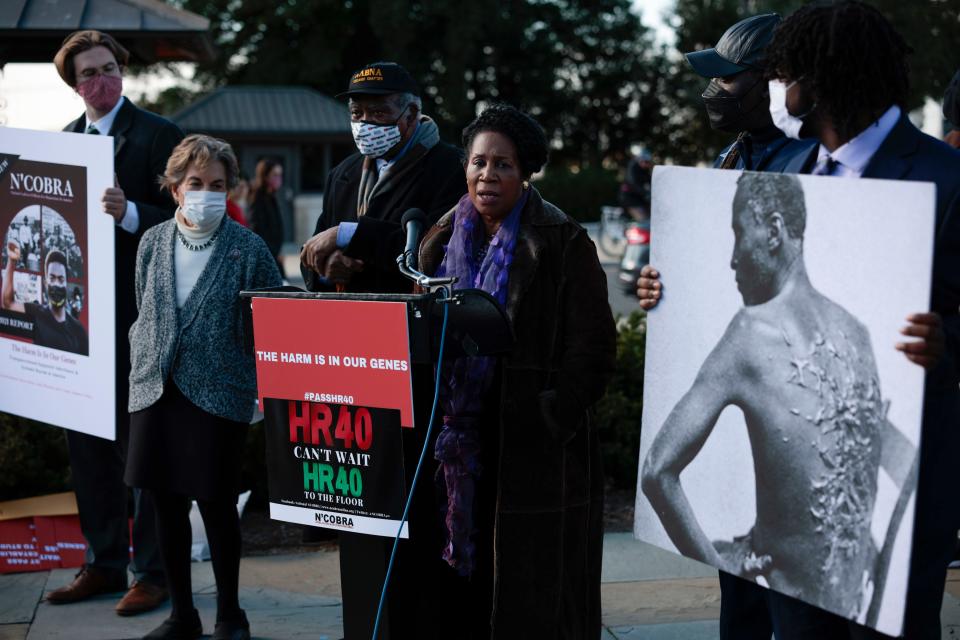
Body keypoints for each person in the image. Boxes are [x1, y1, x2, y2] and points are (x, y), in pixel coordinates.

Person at [641, 2, 960, 637]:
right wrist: (665, 292)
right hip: (792, 564)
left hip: (902, 520)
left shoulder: (944, 177)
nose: (778, 91)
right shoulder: (786, 171)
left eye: (786, 74)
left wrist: (949, 341)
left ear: (821, 78)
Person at [641, 172, 916, 626]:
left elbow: (656, 471)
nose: (732, 259)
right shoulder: (856, 332)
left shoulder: (750, 332)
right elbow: (897, 459)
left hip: (791, 603)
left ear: (773, 230)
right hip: (858, 605)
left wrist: (721, 561)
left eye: (737, 234)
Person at [643, 14, 818, 638]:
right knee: (740, 609)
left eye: (727, 79)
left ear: (772, 82)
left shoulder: (813, 162)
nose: (712, 92)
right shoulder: (731, 156)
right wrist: (660, 291)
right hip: (741, 423)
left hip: (797, 419)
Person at [416, 104, 617, 637]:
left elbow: (594, 348)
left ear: (525, 171)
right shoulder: (438, 236)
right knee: (465, 583)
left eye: (503, 165)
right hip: (458, 441)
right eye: (479, 162)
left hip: (532, 446)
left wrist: (555, 412)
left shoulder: (562, 239)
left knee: (537, 594)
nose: (487, 176)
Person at [46, 29, 183, 614]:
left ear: (122, 72)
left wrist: (131, 213)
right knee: (89, 449)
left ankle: (154, 573)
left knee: (143, 449)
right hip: (76, 322)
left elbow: (187, 218)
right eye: (87, 74)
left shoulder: (159, 135)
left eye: (108, 69)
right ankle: (103, 563)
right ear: (73, 85)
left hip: (140, 318)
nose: (100, 81)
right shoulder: (62, 144)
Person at [124, 135, 282, 640]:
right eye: (196, 183)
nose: (207, 193)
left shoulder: (247, 248)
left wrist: (262, 388)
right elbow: (144, 308)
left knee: (215, 505)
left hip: (220, 392)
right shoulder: (151, 241)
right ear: (175, 189)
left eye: (218, 184)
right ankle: (182, 616)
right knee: (163, 504)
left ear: (231, 188)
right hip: (155, 388)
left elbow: (270, 320)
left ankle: (231, 616)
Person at [299, 61, 466, 293]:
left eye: (378, 112)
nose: (364, 123)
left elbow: (437, 249)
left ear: (411, 114)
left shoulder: (452, 168)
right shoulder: (342, 173)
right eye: (357, 113)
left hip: (412, 320)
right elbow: (314, 247)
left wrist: (349, 234)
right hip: (349, 320)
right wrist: (326, 268)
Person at [2, 245, 89, 355]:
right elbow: (7, 303)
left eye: (61, 279)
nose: (56, 284)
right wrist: (12, 261)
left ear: (67, 283)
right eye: (52, 278)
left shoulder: (78, 331)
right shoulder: (36, 312)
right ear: (45, 282)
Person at [247, 159, 284, 270]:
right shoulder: (257, 198)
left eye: (280, 175)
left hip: (274, 254)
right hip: (265, 257)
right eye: (275, 175)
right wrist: (272, 253)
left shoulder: (271, 197)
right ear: (265, 176)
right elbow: (257, 230)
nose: (278, 178)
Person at [619, 149, 653, 220]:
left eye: (648, 162)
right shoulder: (633, 168)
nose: (647, 164)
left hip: (639, 199)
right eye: (645, 162)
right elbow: (633, 184)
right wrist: (646, 193)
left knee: (650, 217)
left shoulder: (645, 169)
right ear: (640, 160)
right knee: (643, 219)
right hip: (630, 199)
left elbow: (650, 181)